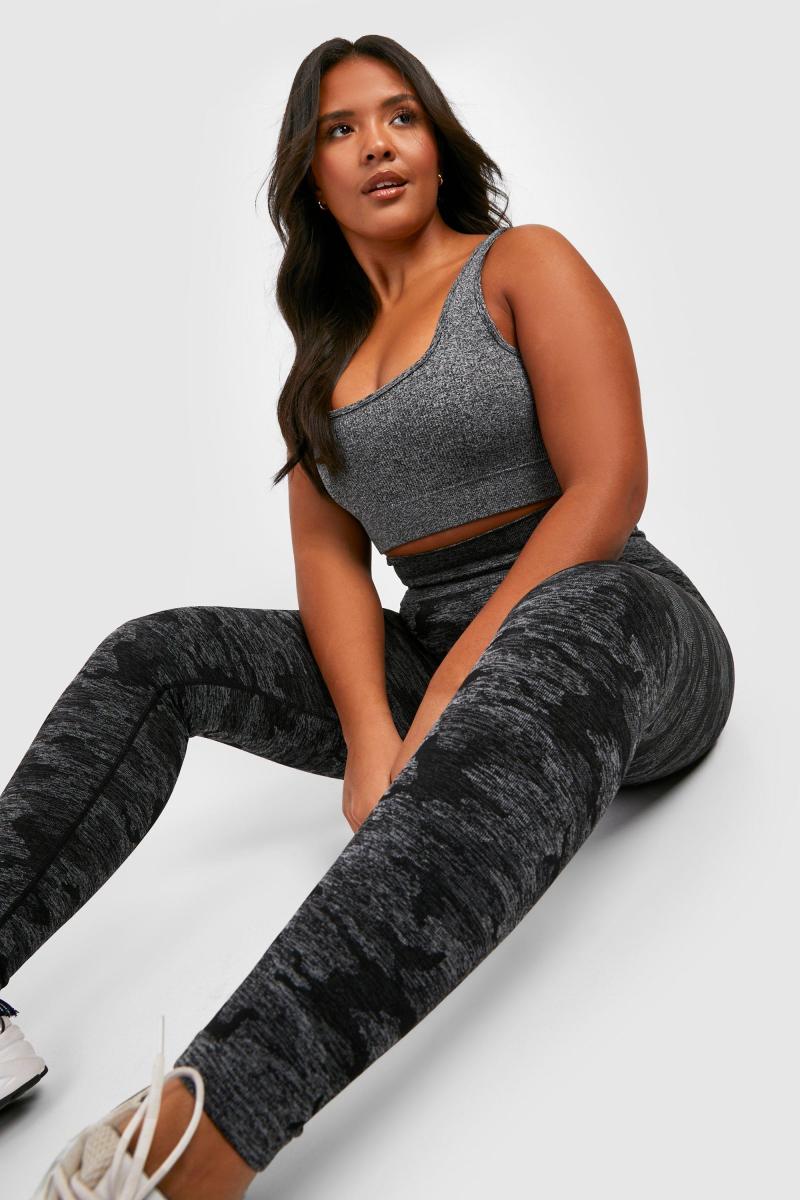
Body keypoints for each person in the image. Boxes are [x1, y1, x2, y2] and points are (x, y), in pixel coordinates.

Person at [1, 33, 735, 1200]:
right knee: (156, 655)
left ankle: (209, 1130)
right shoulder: (320, 361)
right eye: (340, 130)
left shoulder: (520, 264)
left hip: (620, 620)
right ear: (310, 176)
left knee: (559, 627)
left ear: (437, 143)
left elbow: (605, 487)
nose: (377, 145)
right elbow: (331, 564)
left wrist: (447, 693)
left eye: (399, 117)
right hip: (437, 641)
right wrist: (369, 736)